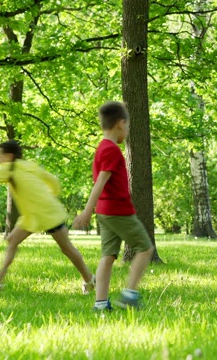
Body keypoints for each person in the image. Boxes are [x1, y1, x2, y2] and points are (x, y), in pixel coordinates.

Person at [0, 140, 94, 293]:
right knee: (12, 240)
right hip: (35, 214)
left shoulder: (8, 169)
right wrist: (52, 195)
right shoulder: (29, 165)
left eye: (0, 156)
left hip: (46, 214)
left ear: (9, 156)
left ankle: (89, 279)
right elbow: (54, 181)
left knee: (67, 249)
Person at [73, 101, 154, 311]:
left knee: (108, 256)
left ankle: (100, 303)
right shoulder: (111, 150)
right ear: (120, 123)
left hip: (105, 213)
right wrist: (86, 211)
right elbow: (101, 181)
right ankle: (130, 295)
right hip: (118, 211)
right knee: (145, 249)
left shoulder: (101, 148)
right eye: (127, 126)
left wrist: (93, 210)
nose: (127, 131)